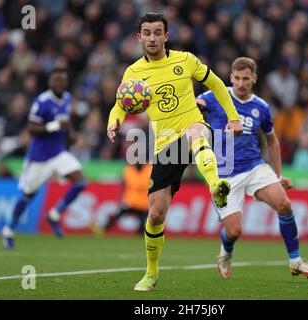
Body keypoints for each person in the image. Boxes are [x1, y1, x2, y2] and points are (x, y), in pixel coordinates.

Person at [107, 13, 243, 291]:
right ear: (139, 37)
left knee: (196, 132)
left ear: (166, 36)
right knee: (156, 214)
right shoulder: (133, 73)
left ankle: (216, 185)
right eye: (147, 33)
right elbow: (120, 104)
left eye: (158, 32)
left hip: (194, 126)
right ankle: (151, 272)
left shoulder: (186, 60)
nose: (153, 38)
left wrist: (233, 117)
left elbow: (216, 83)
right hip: (164, 146)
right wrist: (114, 120)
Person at [196, 57, 308, 279]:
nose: (241, 83)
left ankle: (296, 261)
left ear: (254, 78)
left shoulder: (261, 107)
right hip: (223, 175)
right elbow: (195, 107)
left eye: (246, 78)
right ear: (231, 77)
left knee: (284, 204)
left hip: (254, 167)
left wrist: (278, 175)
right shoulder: (215, 96)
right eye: (237, 78)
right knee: (234, 231)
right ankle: (226, 250)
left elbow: (272, 141)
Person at [1, 68, 87, 249]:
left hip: (58, 152)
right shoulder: (42, 101)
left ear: (66, 82)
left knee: (80, 182)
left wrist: (71, 135)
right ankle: (9, 229)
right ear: (50, 82)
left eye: (62, 80)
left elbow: (66, 122)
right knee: (28, 195)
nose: (59, 84)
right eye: (55, 80)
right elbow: (31, 128)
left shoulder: (67, 98)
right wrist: (54, 126)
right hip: (39, 158)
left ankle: (55, 214)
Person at [89, 163, 151, 236]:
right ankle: (103, 229)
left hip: (144, 202)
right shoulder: (128, 170)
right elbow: (124, 185)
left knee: (143, 223)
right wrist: (121, 198)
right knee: (117, 215)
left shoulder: (149, 169)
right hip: (130, 200)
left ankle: (140, 235)